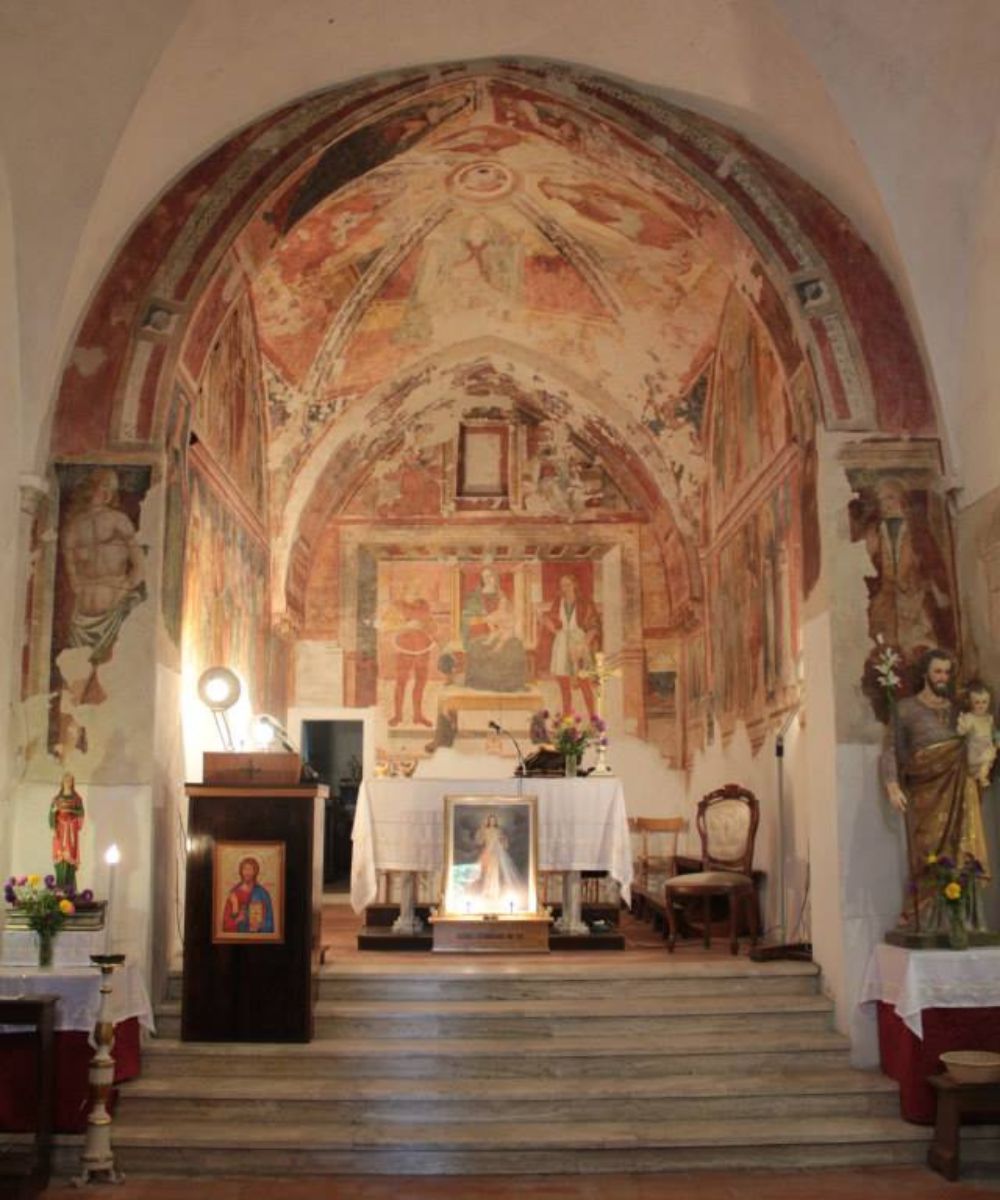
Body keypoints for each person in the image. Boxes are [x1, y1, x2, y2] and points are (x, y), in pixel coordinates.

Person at [880, 649, 990, 927]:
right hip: (925, 794)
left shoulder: (957, 710)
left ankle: (958, 921)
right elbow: (891, 750)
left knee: (959, 854)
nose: (943, 677)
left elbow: (973, 744)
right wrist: (892, 784)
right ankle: (924, 920)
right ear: (925, 674)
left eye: (946, 672)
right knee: (926, 854)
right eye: (938, 671)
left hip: (957, 791)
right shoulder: (905, 708)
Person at [61, 467, 146, 704]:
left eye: (112, 488)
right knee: (76, 685)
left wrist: (122, 592)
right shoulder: (75, 528)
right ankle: (69, 741)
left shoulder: (117, 521)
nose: (109, 493)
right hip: (83, 616)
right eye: (105, 486)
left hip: (113, 609)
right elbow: (73, 578)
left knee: (108, 682)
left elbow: (139, 568)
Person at [460, 567, 528, 692]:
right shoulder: (475, 596)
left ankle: (508, 684)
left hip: (502, 628)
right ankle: (482, 683)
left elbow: (509, 613)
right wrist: (482, 618)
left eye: (491, 576)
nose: (488, 579)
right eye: (485, 576)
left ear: (495, 578)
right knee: (477, 645)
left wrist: (504, 622)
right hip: (481, 630)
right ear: (482, 579)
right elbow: (468, 615)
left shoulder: (501, 595)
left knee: (515, 646)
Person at [542, 574, 600, 715]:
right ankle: (567, 719)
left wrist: (582, 645)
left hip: (579, 641)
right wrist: (553, 628)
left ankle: (593, 719)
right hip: (561, 643)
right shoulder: (559, 602)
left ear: (574, 585)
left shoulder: (584, 602)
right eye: (562, 585)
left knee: (583, 682)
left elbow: (594, 627)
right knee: (563, 683)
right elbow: (550, 619)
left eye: (568, 584)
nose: (565, 588)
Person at [384, 583, 436, 727]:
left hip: (423, 648)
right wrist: (406, 626)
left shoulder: (424, 606)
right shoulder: (397, 606)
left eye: (417, 591)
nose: (415, 594)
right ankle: (398, 716)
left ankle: (418, 716)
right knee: (401, 683)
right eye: (412, 591)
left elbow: (431, 624)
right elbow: (383, 625)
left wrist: (429, 628)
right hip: (404, 648)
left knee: (420, 682)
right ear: (405, 591)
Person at [469, 812, 524, 906]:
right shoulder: (485, 830)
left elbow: (504, 844)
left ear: (495, 821)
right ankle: (486, 891)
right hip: (487, 852)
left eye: (493, 820)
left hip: (495, 853)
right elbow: (479, 841)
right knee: (486, 873)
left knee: (494, 873)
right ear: (488, 821)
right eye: (490, 820)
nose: (492, 822)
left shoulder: (499, 831)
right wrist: (480, 831)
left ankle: (494, 892)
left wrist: (503, 839)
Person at [958, 681, 997, 789]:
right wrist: (962, 724)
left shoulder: (989, 718)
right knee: (987, 756)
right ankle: (981, 777)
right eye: (977, 702)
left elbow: (993, 732)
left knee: (989, 755)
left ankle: (982, 776)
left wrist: (997, 738)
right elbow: (961, 732)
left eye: (984, 702)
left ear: (989, 702)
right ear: (971, 703)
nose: (981, 705)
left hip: (986, 748)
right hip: (975, 751)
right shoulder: (969, 718)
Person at [49, 773, 85, 889]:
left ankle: (70, 889)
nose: (67, 783)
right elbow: (51, 814)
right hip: (60, 829)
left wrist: (71, 811)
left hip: (71, 830)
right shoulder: (56, 799)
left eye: (70, 781)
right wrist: (53, 827)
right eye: (65, 780)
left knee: (70, 859)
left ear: (72, 783)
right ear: (62, 782)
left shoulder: (77, 799)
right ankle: (60, 887)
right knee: (60, 857)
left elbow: (81, 813)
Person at [222, 856, 275, 935]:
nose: (247, 872)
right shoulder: (234, 893)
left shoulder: (262, 893)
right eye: (244, 869)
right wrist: (236, 914)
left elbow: (269, 921)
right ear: (241, 871)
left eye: (250, 869)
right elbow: (225, 925)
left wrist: (260, 926)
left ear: (255, 872)